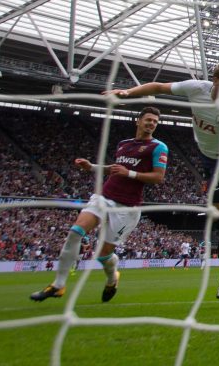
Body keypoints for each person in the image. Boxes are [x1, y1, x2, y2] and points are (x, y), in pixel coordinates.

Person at [103, 60, 219, 299]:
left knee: (218, 212)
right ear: (216, 80)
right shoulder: (196, 88)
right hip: (206, 155)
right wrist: (128, 92)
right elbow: (159, 87)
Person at [30, 107, 168, 303]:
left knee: (104, 255)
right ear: (138, 121)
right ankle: (58, 285)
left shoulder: (158, 147)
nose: (151, 123)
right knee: (75, 232)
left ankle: (113, 278)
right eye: (148, 119)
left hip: (127, 208)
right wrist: (91, 167)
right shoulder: (124, 144)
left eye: (155, 121)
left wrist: (129, 173)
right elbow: (114, 170)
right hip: (104, 197)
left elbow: (158, 177)